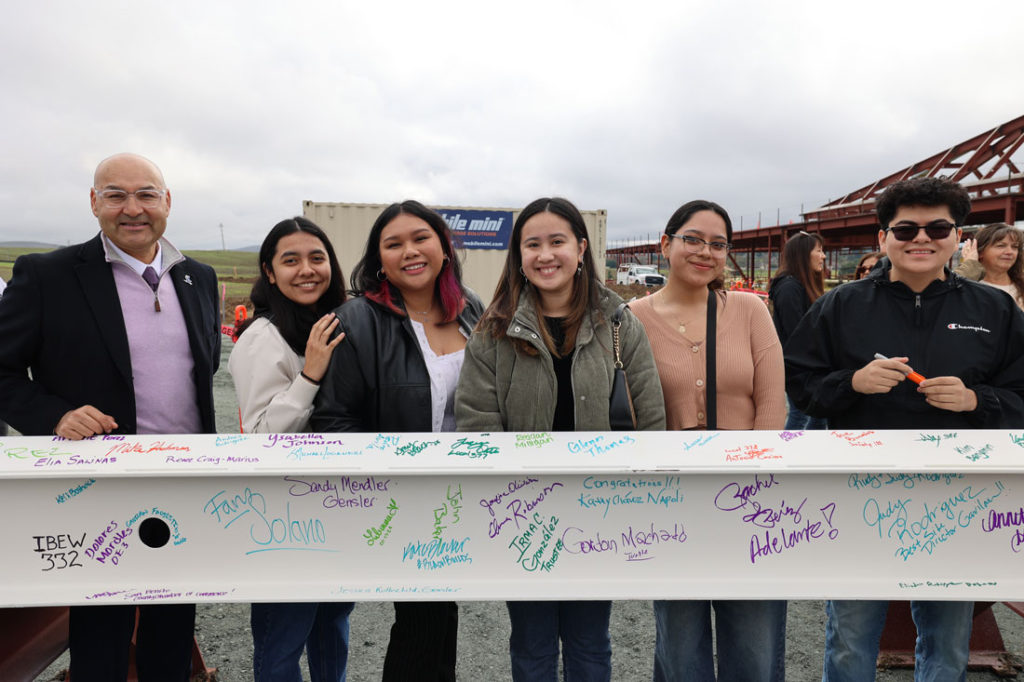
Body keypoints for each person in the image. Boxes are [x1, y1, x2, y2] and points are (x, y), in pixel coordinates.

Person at [785, 177, 1024, 681]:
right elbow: (800, 384)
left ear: (958, 237)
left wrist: (976, 399)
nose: (922, 238)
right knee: (850, 637)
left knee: (947, 640)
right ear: (882, 239)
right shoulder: (840, 305)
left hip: (958, 495)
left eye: (938, 227)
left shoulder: (995, 309)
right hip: (858, 488)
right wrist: (853, 382)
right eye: (906, 228)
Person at [0, 153, 220, 681]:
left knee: (172, 624)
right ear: (94, 202)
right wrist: (55, 416)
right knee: (101, 631)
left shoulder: (199, 278)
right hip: (97, 483)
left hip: (183, 480)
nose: (132, 208)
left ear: (166, 202)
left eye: (146, 194)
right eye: (115, 195)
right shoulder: (47, 275)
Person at [456, 197, 666, 681]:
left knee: (590, 642)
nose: (545, 255)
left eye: (557, 242)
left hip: (599, 514)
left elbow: (650, 422)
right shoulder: (493, 332)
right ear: (519, 255)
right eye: (533, 244)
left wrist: (637, 501)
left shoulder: (619, 323)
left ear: (581, 249)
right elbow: (476, 427)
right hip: (524, 516)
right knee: (531, 643)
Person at [310, 199, 483, 682]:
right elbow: (334, 420)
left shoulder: (471, 310)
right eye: (394, 244)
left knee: (437, 613)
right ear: (379, 259)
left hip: (461, 491)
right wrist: (396, 473)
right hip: (401, 494)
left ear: (444, 248)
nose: (410, 250)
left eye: (420, 238)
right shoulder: (357, 320)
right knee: (424, 617)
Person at [629, 200, 787, 681]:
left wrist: (753, 483)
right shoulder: (629, 319)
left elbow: (771, 406)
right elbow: (630, 414)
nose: (706, 252)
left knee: (755, 643)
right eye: (692, 239)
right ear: (666, 243)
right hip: (672, 500)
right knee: (680, 643)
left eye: (718, 244)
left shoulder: (749, 310)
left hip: (749, 498)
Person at [229, 217, 355, 682]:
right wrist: (311, 375)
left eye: (317, 258)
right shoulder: (262, 337)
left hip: (338, 502)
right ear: (269, 271)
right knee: (284, 634)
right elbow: (261, 437)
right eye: (291, 260)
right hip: (282, 514)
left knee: (332, 626)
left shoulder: (340, 322)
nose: (307, 270)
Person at [768, 230, 826, 430]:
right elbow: (797, 333)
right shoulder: (789, 288)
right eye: (818, 250)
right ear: (803, 254)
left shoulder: (797, 286)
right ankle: (790, 452)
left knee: (817, 414)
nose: (823, 256)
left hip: (805, 364)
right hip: (798, 366)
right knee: (800, 414)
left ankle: (804, 453)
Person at [955, 222, 1024, 309]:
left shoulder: (1020, 287)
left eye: (1014, 247)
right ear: (979, 251)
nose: (1009, 252)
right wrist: (969, 265)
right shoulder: (967, 285)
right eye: (1001, 246)